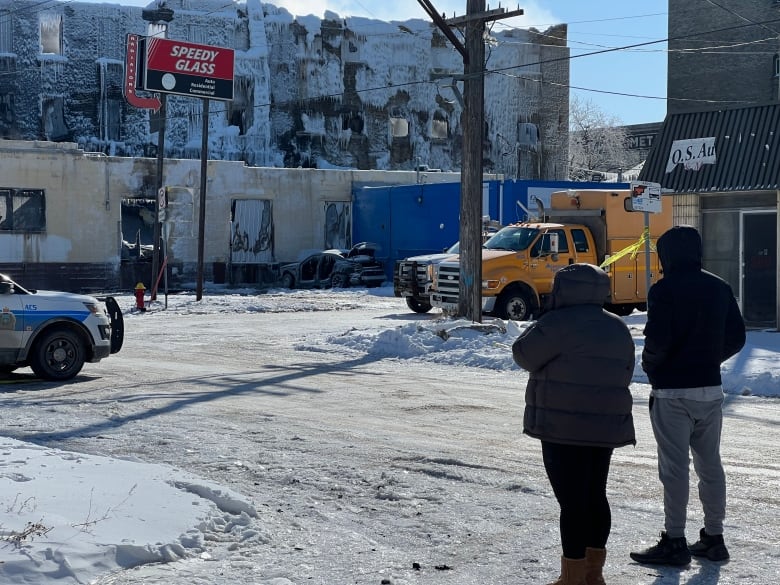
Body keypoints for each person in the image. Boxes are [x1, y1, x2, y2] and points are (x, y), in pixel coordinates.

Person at [513, 263, 636, 585]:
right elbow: (625, 370)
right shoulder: (617, 326)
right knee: (596, 495)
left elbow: (524, 355)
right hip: (606, 426)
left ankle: (572, 577)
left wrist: (540, 320)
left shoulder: (556, 323)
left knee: (572, 503)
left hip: (561, 427)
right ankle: (593, 574)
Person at [630, 225, 746, 566]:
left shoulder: (663, 290)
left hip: (672, 392)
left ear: (667, 255)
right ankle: (714, 537)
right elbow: (737, 337)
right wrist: (709, 358)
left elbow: (658, 341)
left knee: (675, 469)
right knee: (711, 465)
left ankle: (675, 540)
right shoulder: (719, 287)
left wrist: (653, 369)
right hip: (710, 389)